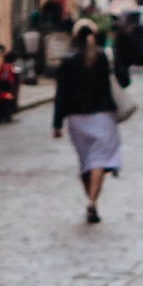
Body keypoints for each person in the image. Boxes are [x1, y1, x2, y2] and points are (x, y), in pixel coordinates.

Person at [52, 20, 123, 223]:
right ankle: (92, 201)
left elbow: (61, 94)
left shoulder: (67, 61)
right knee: (98, 161)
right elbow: (116, 82)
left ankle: (91, 200)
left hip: (77, 119)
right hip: (102, 117)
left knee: (86, 163)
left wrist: (57, 123)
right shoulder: (101, 58)